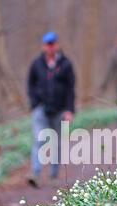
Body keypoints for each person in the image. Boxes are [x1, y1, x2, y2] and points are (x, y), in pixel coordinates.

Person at [27, 31, 75, 188]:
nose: (51, 47)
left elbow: (70, 89)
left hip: (60, 109)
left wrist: (69, 110)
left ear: (57, 45)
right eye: (48, 44)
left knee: (56, 142)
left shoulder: (66, 64)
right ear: (43, 46)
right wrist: (34, 103)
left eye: (53, 43)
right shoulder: (37, 64)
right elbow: (30, 85)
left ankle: (54, 175)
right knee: (39, 139)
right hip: (41, 109)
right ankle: (36, 173)